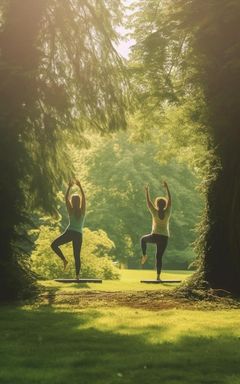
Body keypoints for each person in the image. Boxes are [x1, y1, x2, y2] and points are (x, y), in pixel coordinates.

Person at [51, 179, 86, 280]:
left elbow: (66, 198)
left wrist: (69, 187)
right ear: (78, 202)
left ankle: (64, 260)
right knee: (77, 255)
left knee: (53, 245)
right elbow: (84, 198)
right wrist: (80, 186)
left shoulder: (71, 210)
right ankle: (77, 276)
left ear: (72, 202)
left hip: (70, 232)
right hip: (78, 234)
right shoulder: (82, 211)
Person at [140, 181, 172, 281]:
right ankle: (158, 277)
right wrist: (167, 188)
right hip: (165, 237)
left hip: (155, 236)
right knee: (159, 257)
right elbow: (170, 200)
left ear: (157, 204)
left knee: (143, 239)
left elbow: (148, 202)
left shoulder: (154, 212)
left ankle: (144, 255)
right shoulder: (167, 212)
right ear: (165, 204)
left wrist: (146, 191)